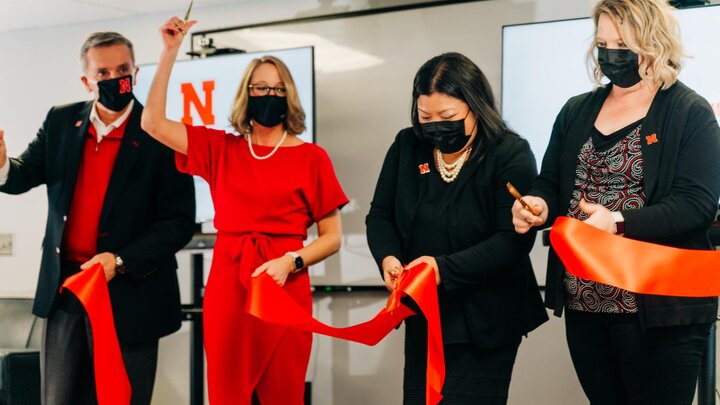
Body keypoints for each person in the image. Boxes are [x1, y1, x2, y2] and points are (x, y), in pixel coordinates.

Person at [511, 0, 720, 403]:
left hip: (661, 308)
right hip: (586, 302)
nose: (610, 54)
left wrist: (618, 222)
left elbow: (696, 204)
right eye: (603, 43)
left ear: (653, 42)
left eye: (622, 43)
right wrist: (536, 205)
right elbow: (551, 183)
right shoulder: (576, 110)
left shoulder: (688, 112)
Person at [141, 17, 348, 405]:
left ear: (288, 95)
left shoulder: (312, 158)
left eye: (276, 87)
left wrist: (292, 261)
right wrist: (169, 53)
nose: (268, 94)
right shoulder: (222, 149)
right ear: (246, 94)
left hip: (286, 286)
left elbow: (333, 238)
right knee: (227, 393)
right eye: (259, 87)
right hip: (228, 286)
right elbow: (152, 123)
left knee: (282, 393)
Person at [0, 32, 195, 405]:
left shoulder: (162, 132)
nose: (115, 79)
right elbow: (23, 175)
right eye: (103, 72)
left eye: (123, 70)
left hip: (131, 296)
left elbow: (178, 222)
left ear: (136, 72)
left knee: (121, 399)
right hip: (66, 293)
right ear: (86, 80)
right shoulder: (61, 122)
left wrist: (119, 262)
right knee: (59, 398)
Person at [366, 52, 548, 405]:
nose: (435, 126)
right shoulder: (408, 146)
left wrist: (441, 269)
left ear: (475, 106)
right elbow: (380, 216)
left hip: (486, 321)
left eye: (447, 117)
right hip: (426, 315)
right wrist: (388, 258)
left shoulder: (508, 152)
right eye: (425, 117)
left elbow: (511, 242)